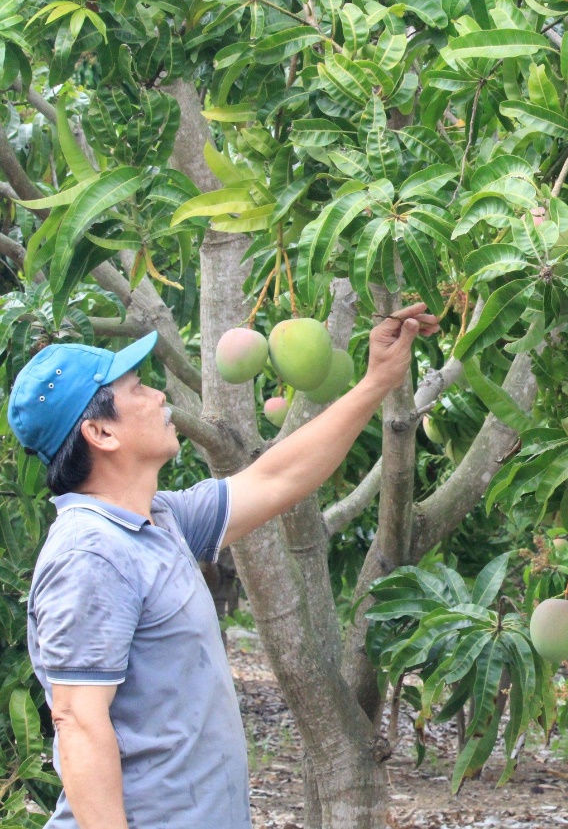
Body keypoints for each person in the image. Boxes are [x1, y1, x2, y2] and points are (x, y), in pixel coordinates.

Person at [8, 304, 439, 829]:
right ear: (100, 434)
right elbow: (77, 721)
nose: (159, 395)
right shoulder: (91, 554)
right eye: (137, 389)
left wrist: (377, 381)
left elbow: (277, 478)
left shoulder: (159, 521)